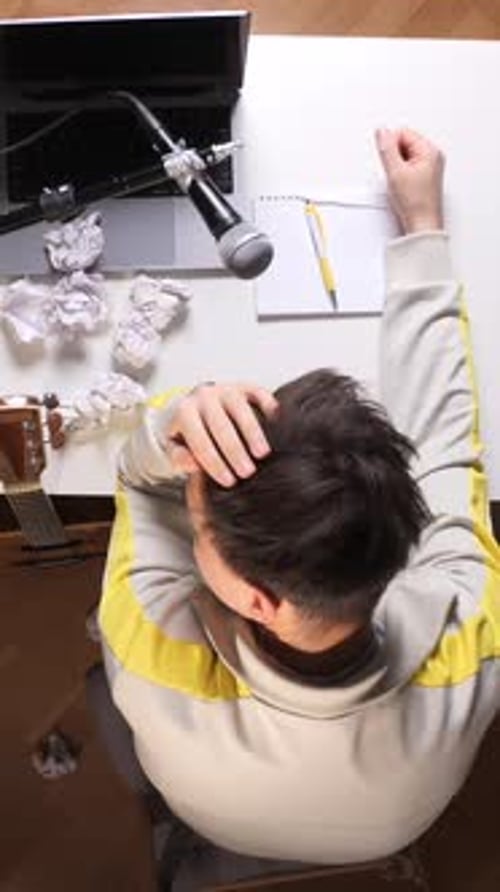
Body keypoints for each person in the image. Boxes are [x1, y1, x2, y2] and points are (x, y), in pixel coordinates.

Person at [99, 128, 500, 864]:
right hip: (393, 827)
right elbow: (447, 446)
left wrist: (173, 426)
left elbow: (133, 480)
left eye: (202, 524)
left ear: (260, 600)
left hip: (212, 815)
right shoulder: (469, 639)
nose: (195, 495)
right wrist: (422, 230)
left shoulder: (156, 653)